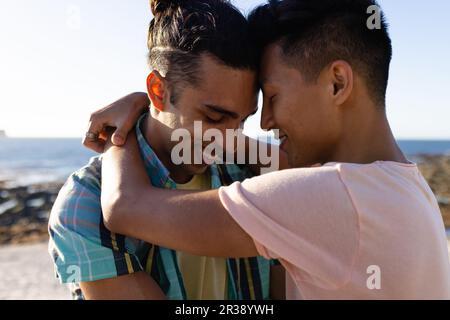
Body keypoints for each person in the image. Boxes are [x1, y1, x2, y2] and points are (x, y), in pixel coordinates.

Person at [86, 0, 450, 299]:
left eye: (272, 97)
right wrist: (159, 103)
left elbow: (125, 208)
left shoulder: (328, 197)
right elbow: (270, 157)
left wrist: (129, 122)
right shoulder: (407, 188)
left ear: (337, 84)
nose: (266, 122)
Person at [48, 0, 285, 300]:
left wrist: (136, 110)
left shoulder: (248, 174)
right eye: (214, 117)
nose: (230, 139)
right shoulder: (87, 204)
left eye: (242, 120)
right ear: (159, 92)